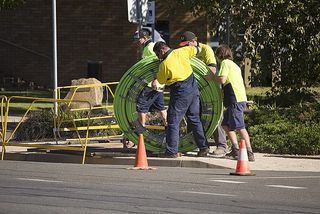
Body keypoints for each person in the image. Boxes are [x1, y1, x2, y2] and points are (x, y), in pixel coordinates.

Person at [153, 41, 209, 158]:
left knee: (173, 121)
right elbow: (197, 49)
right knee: (194, 119)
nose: (158, 57)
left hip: (180, 92)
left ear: (162, 50)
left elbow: (161, 81)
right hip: (193, 89)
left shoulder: (164, 64)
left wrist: (155, 78)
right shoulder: (182, 51)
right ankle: (203, 148)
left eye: (158, 54)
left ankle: (171, 151)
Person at [179, 31, 228, 157]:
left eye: (187, 44)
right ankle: (194, 143)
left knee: (215, 115)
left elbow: (212, 70)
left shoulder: (206, 50)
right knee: (193, 115)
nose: (185, 47)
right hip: (194, 88)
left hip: (209, 88)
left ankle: (222, 146)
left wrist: (197, 73)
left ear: (194, 42)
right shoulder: (185, 51)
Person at [213, 44, 255, 161]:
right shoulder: (234, 65)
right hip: (237, 98)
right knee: (226, 125)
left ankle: (249, 152)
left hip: (234, 98)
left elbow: (222, 79)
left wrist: (211, 77)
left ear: (220, 55)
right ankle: (235, 150)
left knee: (240, 126)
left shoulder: (225, 63)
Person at [134, 29, 167, 128]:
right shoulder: (148, 47)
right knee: (160, 107)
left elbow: (159, 63)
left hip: (152, 84)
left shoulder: (149, 47)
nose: (137, 42)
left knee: (141, 106)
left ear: (144, 38)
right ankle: (168, 127)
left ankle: (141, 131)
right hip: (157, 84)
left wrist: (154, 80)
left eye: (138, 39)